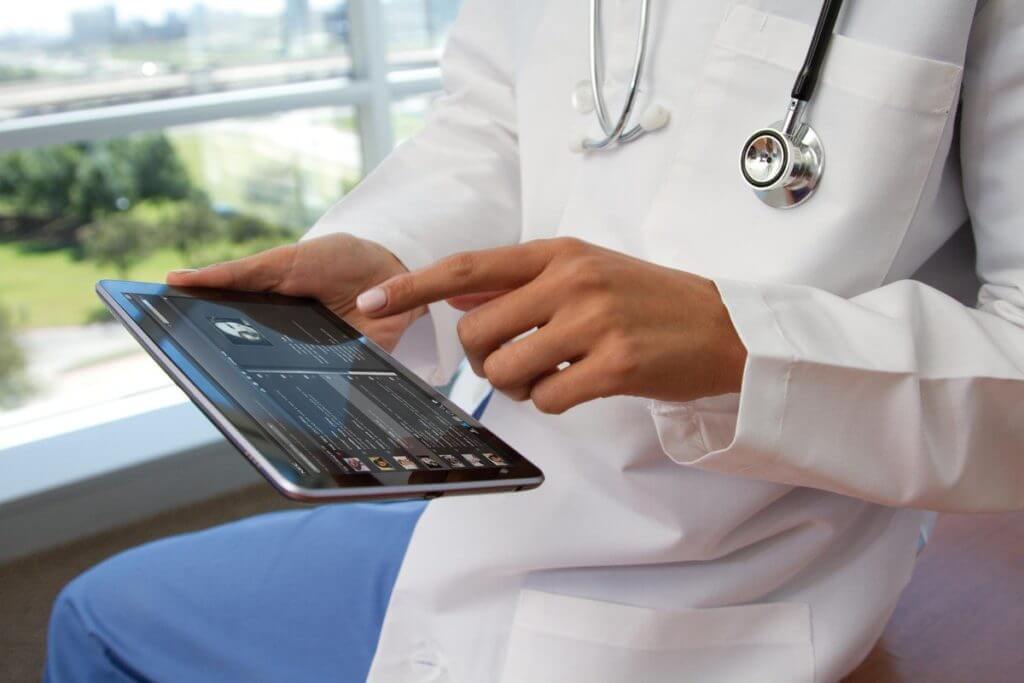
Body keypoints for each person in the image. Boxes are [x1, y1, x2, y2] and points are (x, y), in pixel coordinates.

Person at [46, 1, 1024, 681]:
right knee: (101, 610)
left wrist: (733, 341)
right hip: (480, 483)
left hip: (725, 591)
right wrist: (386, 253)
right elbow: (496, 123)